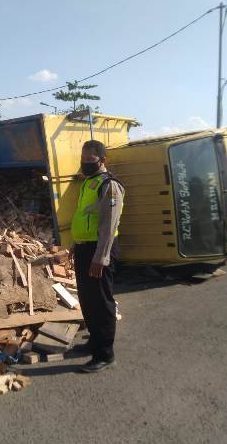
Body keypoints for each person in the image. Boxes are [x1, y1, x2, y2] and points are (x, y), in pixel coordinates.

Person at [71, 140, 125, 373]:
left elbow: (108, 225)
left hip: (99, 250)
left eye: (89, 160)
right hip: (85, 248)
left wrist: (100, 258)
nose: (84, 164)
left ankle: (105, 354)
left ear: (102, 161)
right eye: (82, 160)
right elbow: (86, 218)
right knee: (88, 299)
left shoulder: (109, 186)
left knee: (102, 303)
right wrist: (77, 243)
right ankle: (94, 341)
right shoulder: (88, 183)